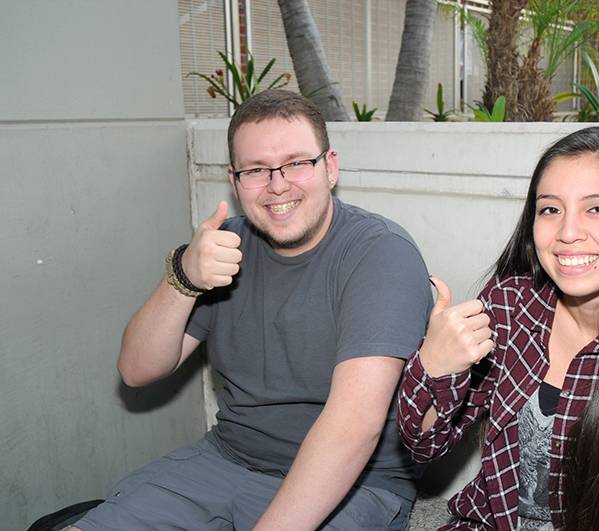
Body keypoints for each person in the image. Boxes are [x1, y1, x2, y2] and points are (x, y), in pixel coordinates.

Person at [72, 89, 432, 531]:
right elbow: (136, 370)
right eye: (257, 169)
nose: (278, 184)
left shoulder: (380, 254)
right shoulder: (225, 247)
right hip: (225, 460)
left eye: (298, 162)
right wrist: (183, 277)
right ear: (234, 179)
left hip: (353, 485)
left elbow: (354, 426)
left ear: (330, 167)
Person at [397, 127, 599, 531]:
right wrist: (433, 364)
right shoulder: (511, 302)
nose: (568, 233)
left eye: (598, 209)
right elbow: (424, 446)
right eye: (550, 209)